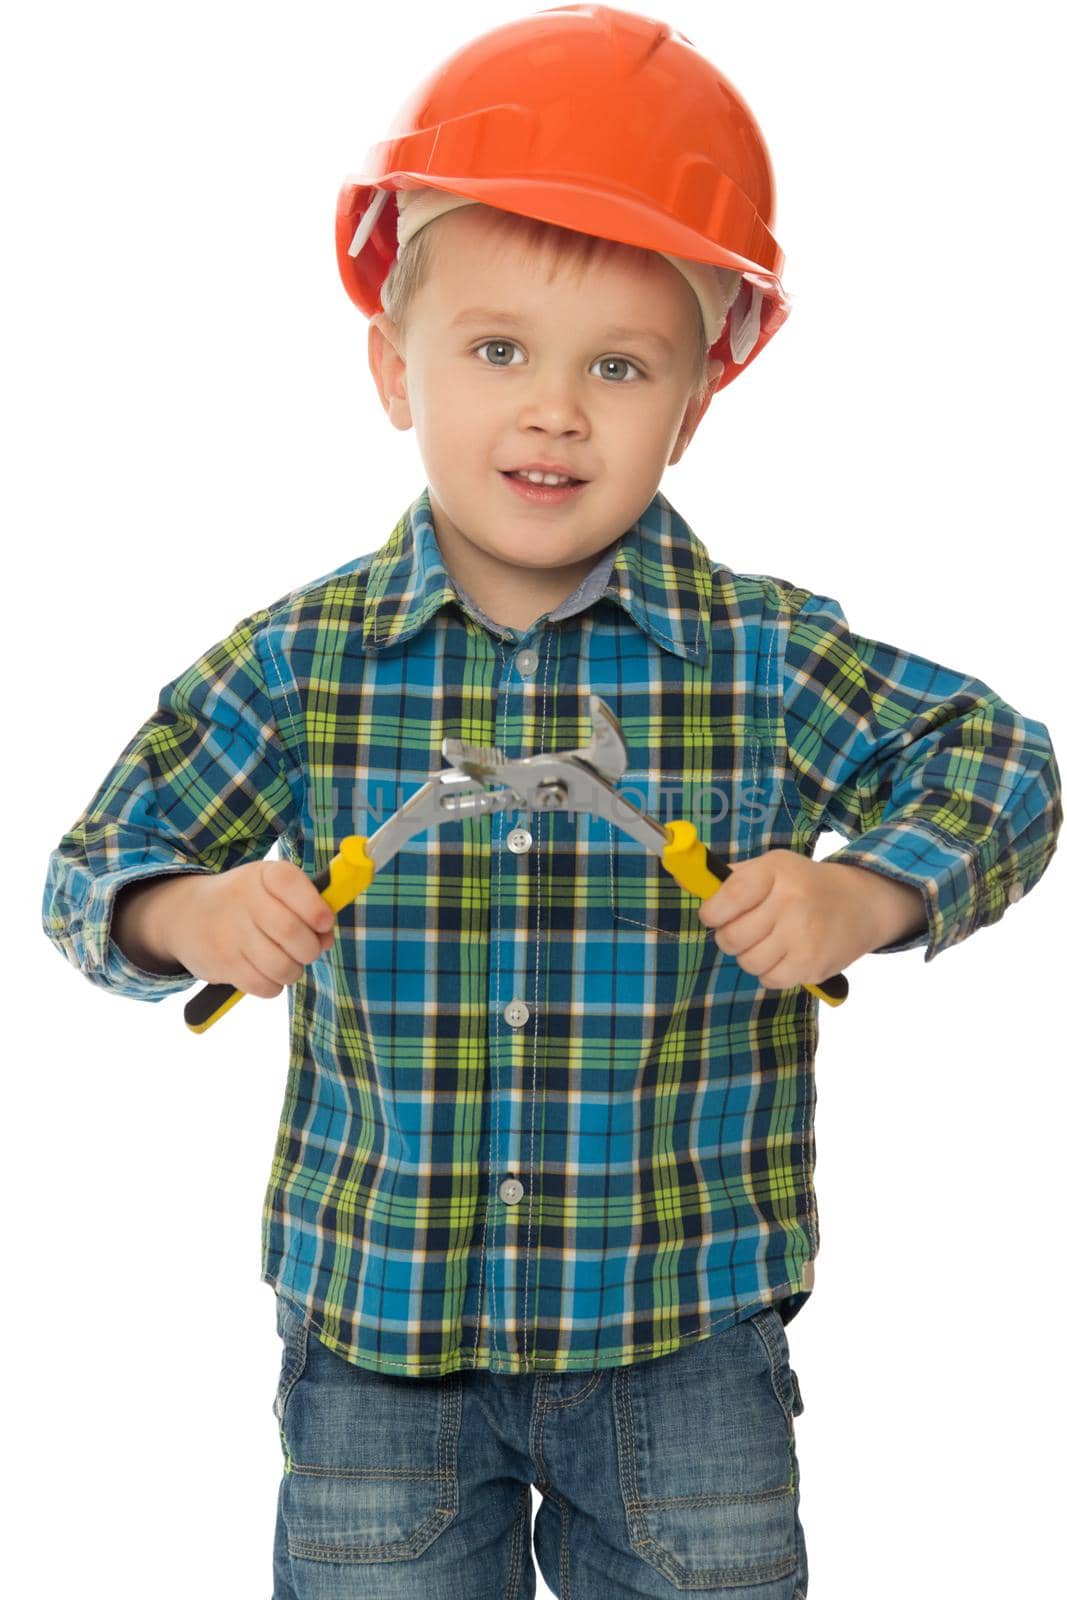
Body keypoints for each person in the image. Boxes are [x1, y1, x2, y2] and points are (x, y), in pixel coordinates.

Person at [41, 7, 1062, 1598]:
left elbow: (1005, 764)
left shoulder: (765, 659)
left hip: (683, 1343)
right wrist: (194, 915)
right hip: (378, 1350)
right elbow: (92, 869)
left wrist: (871, 893)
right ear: (396, 364)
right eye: (497, 349)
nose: (554, 410)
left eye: (620, 365)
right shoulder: (302, 664)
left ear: (699, 398)